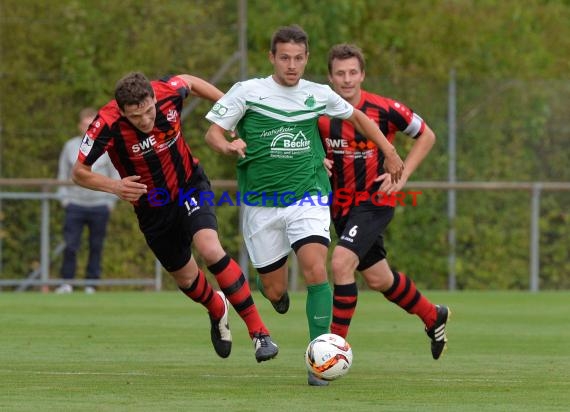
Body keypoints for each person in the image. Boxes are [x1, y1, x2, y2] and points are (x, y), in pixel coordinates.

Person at [204, 25, 404, 386]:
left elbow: (358, 117)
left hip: (308, 195)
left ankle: (320, 359)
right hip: (261, 203)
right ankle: (276, 298)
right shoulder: (248, 92)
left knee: (316, 268)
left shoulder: (319, 94)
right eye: (285, 58)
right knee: (275, 289)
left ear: (307, 59)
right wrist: (228, 146)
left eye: (298, 58)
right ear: (272, 58)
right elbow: (213, 133)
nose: (292, 65)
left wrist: (389, 150)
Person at [71, 71, 278, 362]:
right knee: (186, 278)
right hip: (152, 207)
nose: (145, 120)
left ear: (155, 98)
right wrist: (116, 186)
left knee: (210, 248)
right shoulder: (106, 123)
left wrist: (230, 108)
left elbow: (189, 81)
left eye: (148, 111)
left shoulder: (168, 93)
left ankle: (260, 334)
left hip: (189, 185)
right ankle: (217, 308)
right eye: (136, 116)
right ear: (122, 111)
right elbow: (79, 173)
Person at [317, 43, 450, 360]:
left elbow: (426, 135)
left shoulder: (384, 109)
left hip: (375, 201)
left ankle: (332, 352)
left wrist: (402, 177)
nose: (347, 79)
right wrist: (316, 160)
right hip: (341, 206)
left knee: (340, 263)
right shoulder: (318, 114)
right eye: (340, 73)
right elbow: (307, 147)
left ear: (362, 74)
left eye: (353, 72)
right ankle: (433, 315)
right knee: (379, 278)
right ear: (330, 78)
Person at [55, 107, 120, 294]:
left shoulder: (107, 147)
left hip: (100, 204)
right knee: (71, 245)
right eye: (85, 124)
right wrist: (64, 199)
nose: (88, 128)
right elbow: (62, 174)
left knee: (96, 245)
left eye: (92, 124)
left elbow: (114, 174)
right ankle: (66, 282)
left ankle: (91, 283)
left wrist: (110, 202)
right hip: (74, 204)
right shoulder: (70, 146)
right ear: (79, 126)